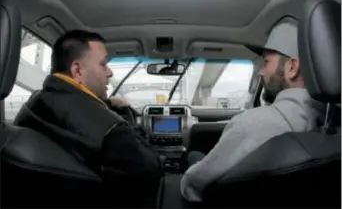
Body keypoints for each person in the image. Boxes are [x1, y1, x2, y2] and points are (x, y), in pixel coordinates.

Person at [180, 20, 327, 202]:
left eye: (266, 62)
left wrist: (187, 178)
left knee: (194, 156)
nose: (261, 72)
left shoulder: (250, 124)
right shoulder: (332, 125)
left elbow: (194, 185)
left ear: (292, 67)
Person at [14, 30, 163, 180]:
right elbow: (152, 167)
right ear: (78, 70)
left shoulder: (36, 102)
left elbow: (76, 114)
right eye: (103, 64)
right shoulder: (112, 131)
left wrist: (107, 104)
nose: (110, 72)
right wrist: (131, 126)